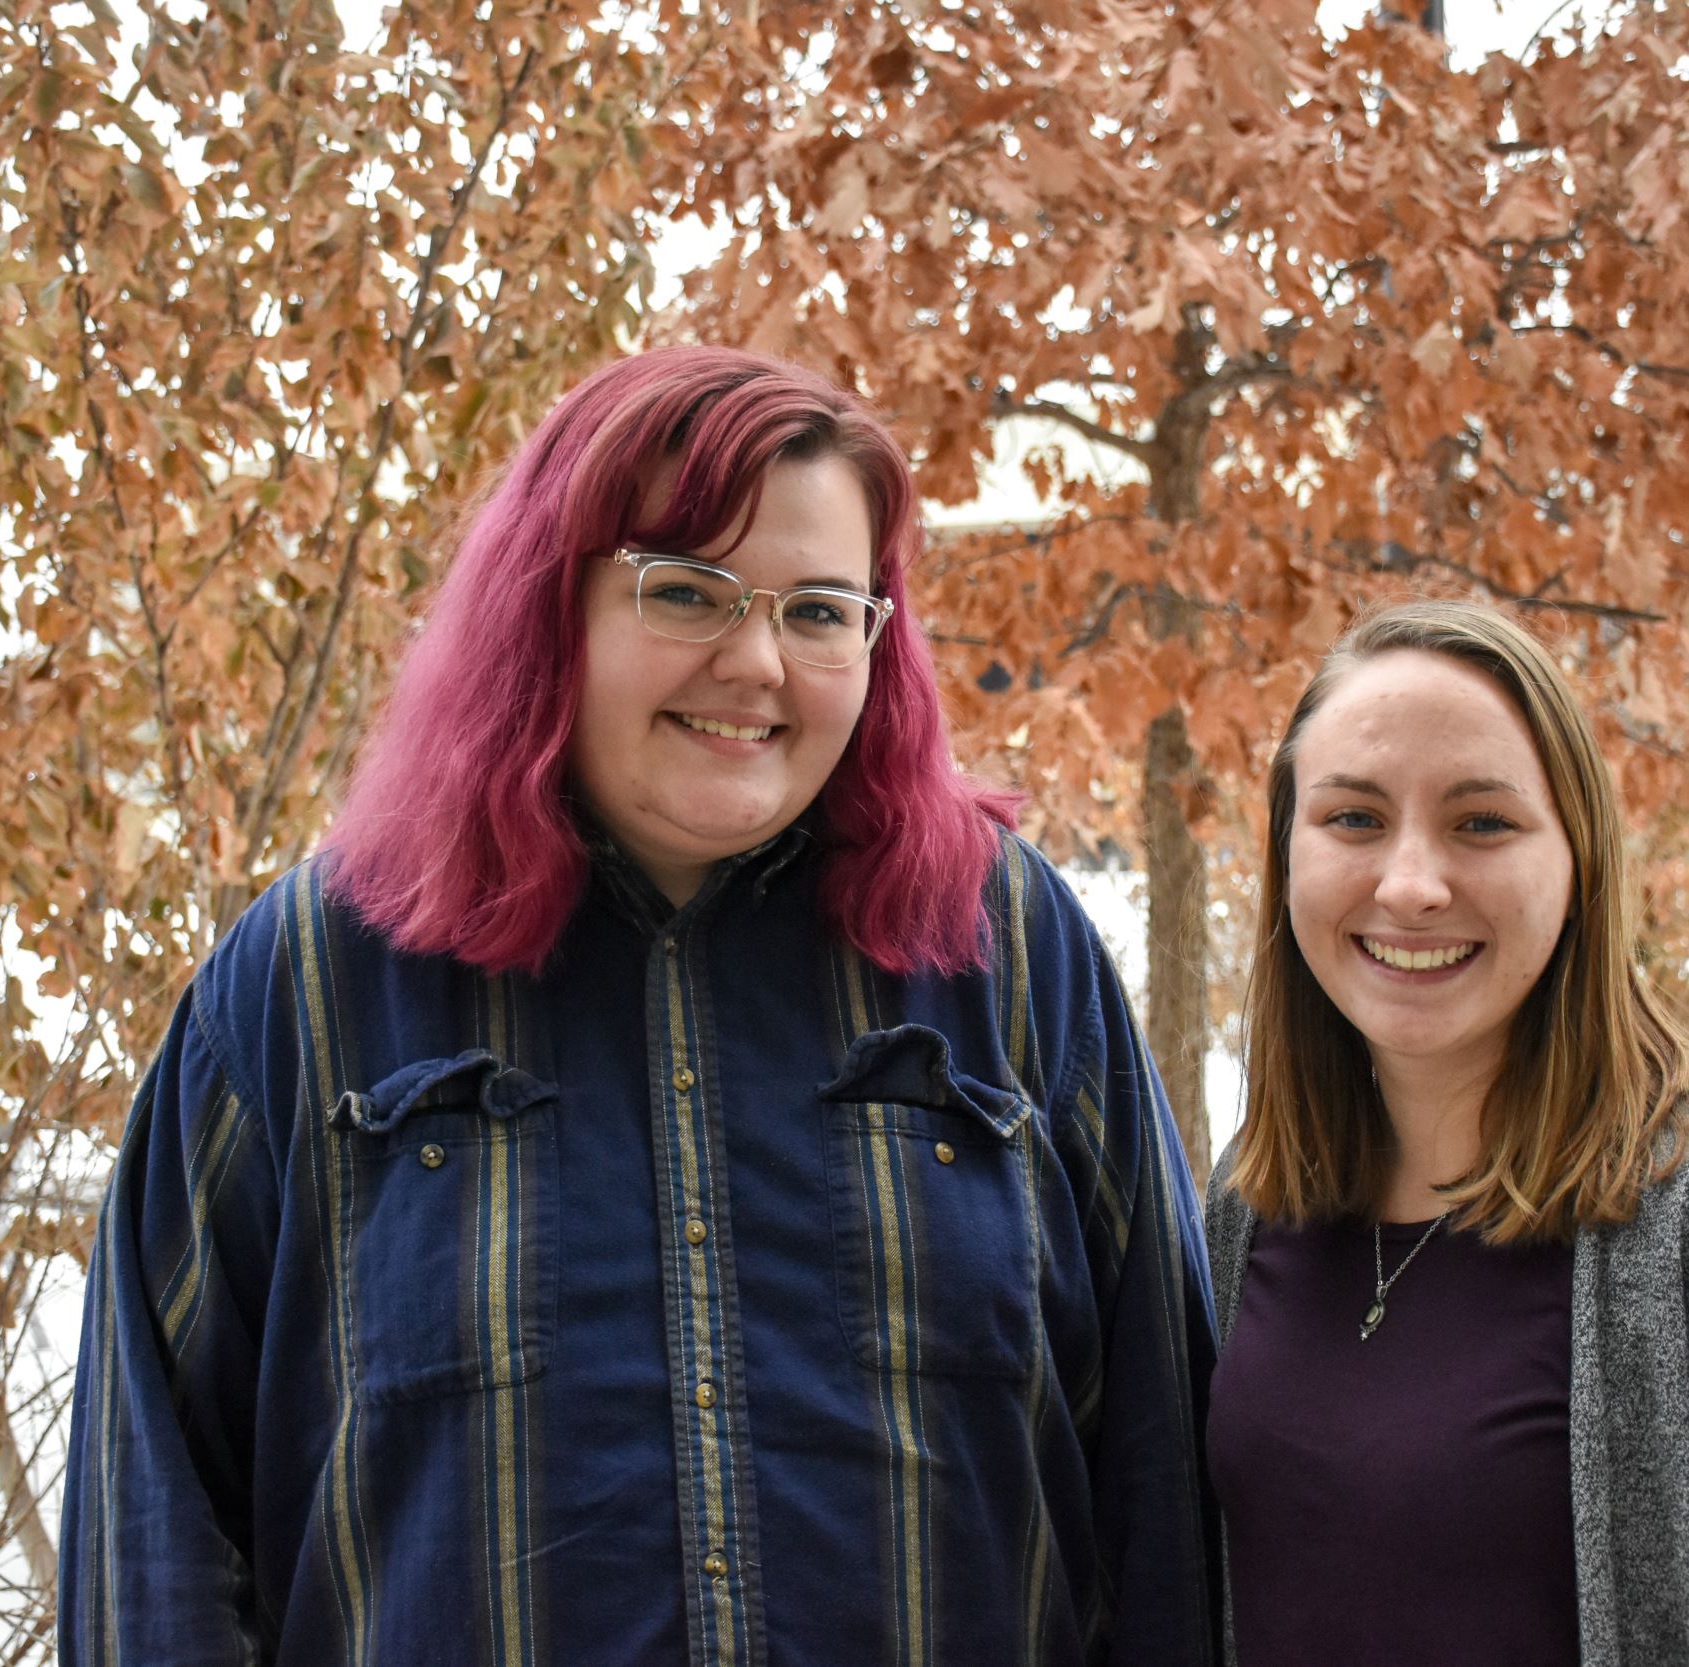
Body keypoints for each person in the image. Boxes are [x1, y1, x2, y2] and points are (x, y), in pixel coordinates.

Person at [61, 347, 1218, 1666]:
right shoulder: (312, 977)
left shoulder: (1007, 947)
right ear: (552, 603)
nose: (759, 662)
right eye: (687, 589)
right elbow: (152, 1529)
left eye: (822, 610)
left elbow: (1162, 1482)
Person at [1203, 600, 1689, 1665]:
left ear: (1580, 860)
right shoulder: (1253, 1196)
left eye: (1482, 822)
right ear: (1284, 858)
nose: (1410, 883)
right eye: (1353, 818)